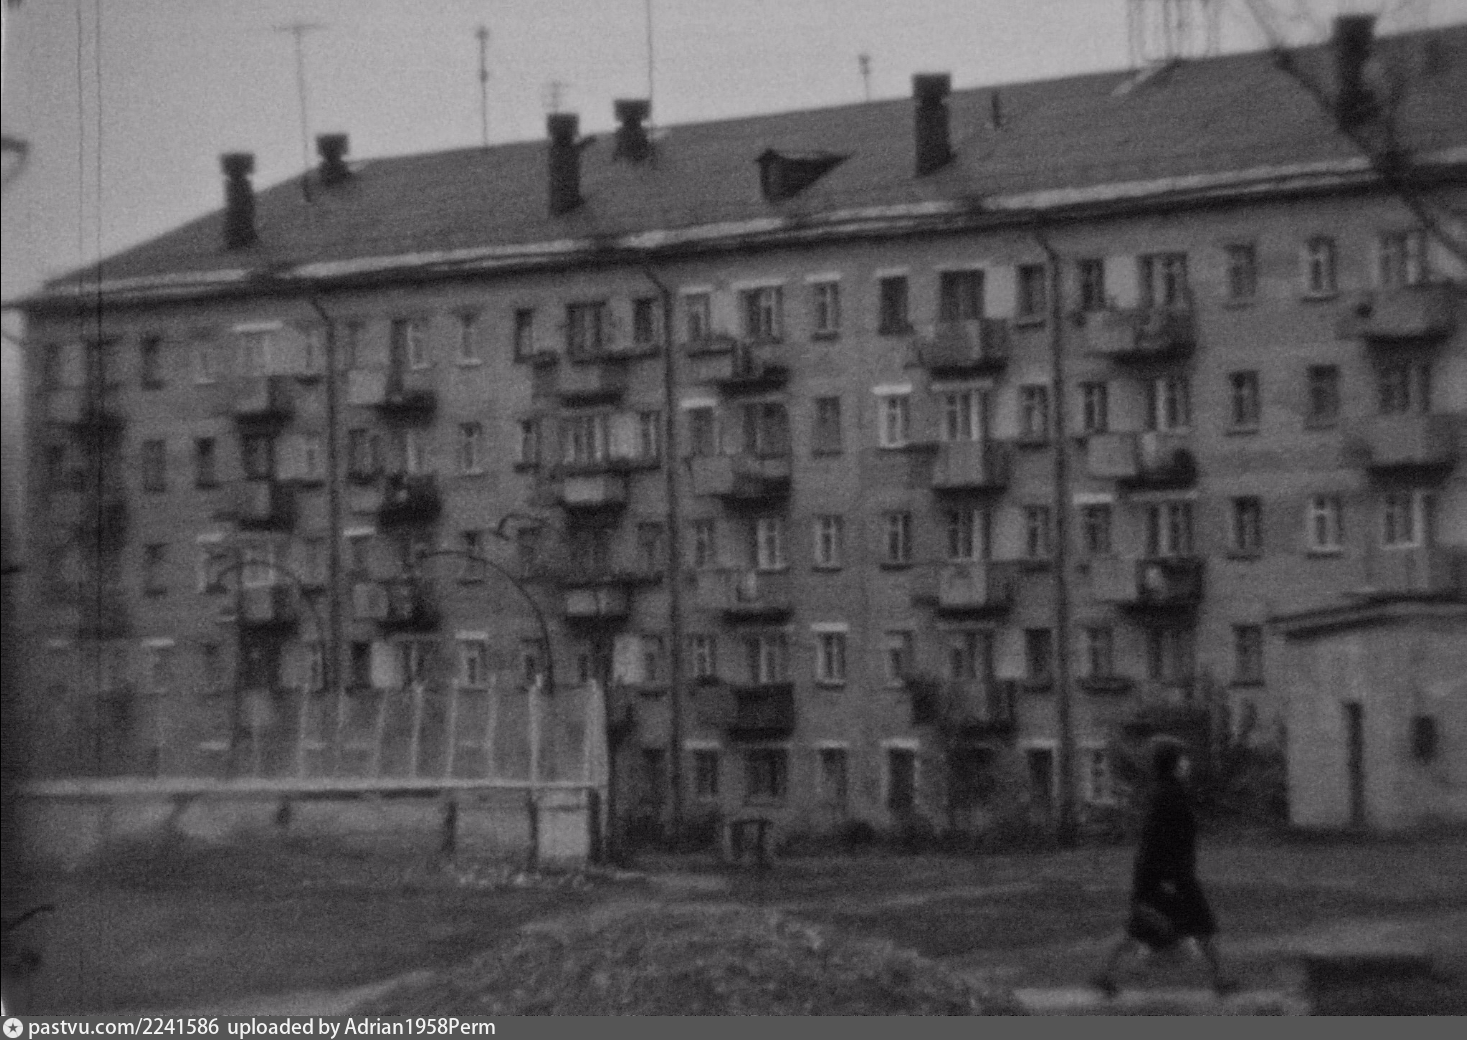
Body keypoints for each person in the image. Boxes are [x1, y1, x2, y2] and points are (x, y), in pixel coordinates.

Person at [1091, 738, 1237, 999]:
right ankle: (1221, 979)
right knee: (1192, 926)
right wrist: (1167, 878)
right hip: (1168, 879)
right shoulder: (1168, 796)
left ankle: (1222, 979)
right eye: (1183, 759)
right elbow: (1161, 841)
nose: (1188, 763)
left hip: (1168, 876)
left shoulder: (1168, 793)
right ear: (1173, 764)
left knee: (1181, 926)